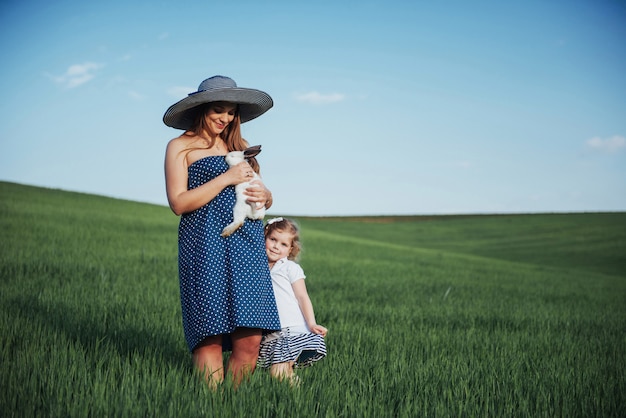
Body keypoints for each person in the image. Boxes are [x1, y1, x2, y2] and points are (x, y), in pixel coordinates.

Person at [163, 75, 281, 388]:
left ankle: (233, 405)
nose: (225, 118)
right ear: (201, 109)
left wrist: (266, 196)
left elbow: (260, 193)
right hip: (203, 244)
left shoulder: (242, 149)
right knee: (209, 334)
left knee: (250, 338)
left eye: (231, 112)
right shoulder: (180, 147)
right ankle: (209, 406)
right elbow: (178, 203)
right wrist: (225, 178)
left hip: (248, 244)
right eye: (218, 109)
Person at [258, 217, 327, 385]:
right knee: (283, 373)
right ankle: (300, 398)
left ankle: (301, 400)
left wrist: (312, 324)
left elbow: (302, 297)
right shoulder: (257, 266)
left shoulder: (290, 268)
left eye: (283, 244)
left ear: (290, 250)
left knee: (278, 373)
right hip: (271, 332)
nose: (276, 246)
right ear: (264, 237)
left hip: (290, 330)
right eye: (273, 239)